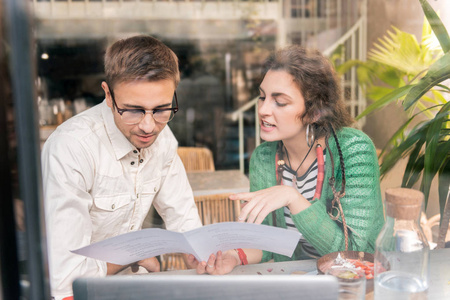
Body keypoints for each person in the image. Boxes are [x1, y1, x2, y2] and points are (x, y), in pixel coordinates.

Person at [193, 45, 384, 274]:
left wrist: (291, 197)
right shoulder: (264, 158)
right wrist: (234, 256)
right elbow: (268, 243)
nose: (263, 109)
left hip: (359, 283)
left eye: (279, 102)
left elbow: (351, 250)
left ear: (315, 112)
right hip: (301, 279)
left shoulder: (353, 149)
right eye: (262, 97)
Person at [41, 35, 202, 300]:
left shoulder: (163, 140)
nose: (149, 126)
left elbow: (184, 221)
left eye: (161, 109)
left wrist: (201, 255)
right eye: (134, 110)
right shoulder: (72, 147)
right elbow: (67, 280)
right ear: (108, 94)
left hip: (133, 288)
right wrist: (132, 254)